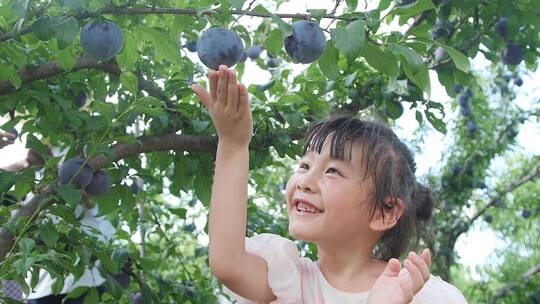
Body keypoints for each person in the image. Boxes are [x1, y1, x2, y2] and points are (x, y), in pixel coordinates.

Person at [191, 65, 468, 303]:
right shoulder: (291, 283)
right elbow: (228, 262)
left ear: (384, 212)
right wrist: (234, 143)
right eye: (305, 165)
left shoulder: (426, 295)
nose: (306, 182)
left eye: (333, 171)